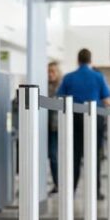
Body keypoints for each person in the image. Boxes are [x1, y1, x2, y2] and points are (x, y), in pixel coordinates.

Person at [55, 48, 110, 194]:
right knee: (94, 155)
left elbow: (59, 98)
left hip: (73, 119)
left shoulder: (68, 77)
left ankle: (71, 189)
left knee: (74, 155)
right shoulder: (98, 77)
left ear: (78, 60)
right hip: (95, 119)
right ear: (90, 60)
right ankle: (96, 190)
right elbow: (107, 100)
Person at [47, 61, 62, 194]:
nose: (50, 74)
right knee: (52, 156)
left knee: (54, 155)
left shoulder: (61, 88)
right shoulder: (46, 87)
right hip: (46, 127)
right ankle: (57, 184)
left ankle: (59, 183)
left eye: (53, 71)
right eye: (49, 72)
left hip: (57, 127)